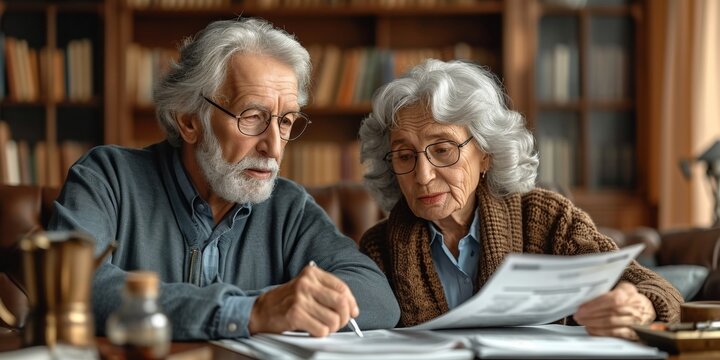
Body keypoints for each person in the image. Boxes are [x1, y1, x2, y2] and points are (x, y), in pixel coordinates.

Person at [48, 18, 400, 340]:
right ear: (189, 120)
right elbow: (70, 285)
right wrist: (251, 312)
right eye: (251, 116)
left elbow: (377, 298)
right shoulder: (108, 178)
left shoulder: (288, 207)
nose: (274, 147)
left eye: (286, 121)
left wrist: (277, 307)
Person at [358, 59, 682, 340]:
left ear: (486, 154)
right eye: (403, 155)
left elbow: (659, 290)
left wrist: (639, 305)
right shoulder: (380, 248)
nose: (423, 175)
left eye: (443, 150)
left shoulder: (547, 218)